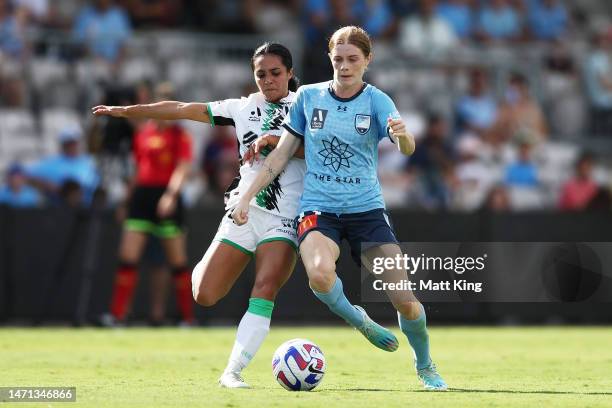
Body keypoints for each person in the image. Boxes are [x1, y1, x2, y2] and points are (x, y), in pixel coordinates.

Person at [233, 26, 448, 391]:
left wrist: (403, 134)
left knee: (406, 302)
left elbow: (407, 147)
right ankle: (361, 321)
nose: (345, 67)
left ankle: (425, 364)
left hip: (366, 212)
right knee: (319, 273)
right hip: (320, 209)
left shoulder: (378, 101)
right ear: (330, 59)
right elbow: (282, 153)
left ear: (367, 60)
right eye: (338, 60)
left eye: (352, 60)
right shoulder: (308, 97)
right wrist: (245, 196)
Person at [92, 43, 305, 388]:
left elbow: (321, 149)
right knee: (204, 293)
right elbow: (180, 108)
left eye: (275, 73)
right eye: (261, 74)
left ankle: (232, 372)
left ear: (290, 73)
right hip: (242, 212)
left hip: (285, 216)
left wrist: (275, 142)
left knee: (265, 286)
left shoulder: (306, 105)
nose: (268, 80)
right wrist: (129, 110)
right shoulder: (241, 107)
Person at [95, 82, 195, 327]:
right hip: (142, 197)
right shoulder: (143, 134)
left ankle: (187, 318)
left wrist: (171, 195)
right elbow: (140, 171)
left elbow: (183, 168)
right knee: (127, 257)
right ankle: (117, 315)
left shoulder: (180, 135)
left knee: (177, 262)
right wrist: (126, 201)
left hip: (166, 197)